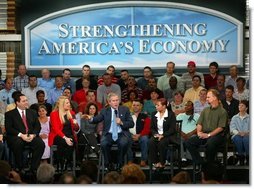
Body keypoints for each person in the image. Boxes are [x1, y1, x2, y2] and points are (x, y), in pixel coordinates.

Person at [83, 92, 134, 170]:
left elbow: (131, 124)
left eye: (117, 100)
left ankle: (119, 163)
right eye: (113, 101)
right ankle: (108, 163)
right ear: (109, 102)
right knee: (103, 144)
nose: (116, 102)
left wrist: (121, 122)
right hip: (108, 134)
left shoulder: (125, 109)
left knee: (123, 143)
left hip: (121, 134)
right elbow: (98, 118)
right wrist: (91, 118)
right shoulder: (104, 111)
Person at [184, 89, 228, 165]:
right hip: (205, 134)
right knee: (188, 142)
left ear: (214, 98)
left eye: (208, 97)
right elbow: (199, 124)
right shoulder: (205, 110)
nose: (206, 98)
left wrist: (208, 135)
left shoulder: (222, 111)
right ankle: (200, 162)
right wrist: (199, 132)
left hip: (217, 135)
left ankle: (209, 163)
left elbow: (221, 128)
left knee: (210, 143)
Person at [5, 93, 45, 172]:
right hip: (17, 136)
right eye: (24, 101)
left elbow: (37, 126)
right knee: (18, 143)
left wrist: (33, 135)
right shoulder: (10, 114)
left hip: (30, 136)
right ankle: (20, 168)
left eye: (27, 100)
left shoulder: (32, 112)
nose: (26, 102)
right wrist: (21, 135)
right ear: (17, 103)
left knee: (40, 144)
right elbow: (9, 128)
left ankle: (33, 168)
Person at [48, 96, 79, 170]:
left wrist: (75, 124)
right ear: (62, 104)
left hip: (70, 134)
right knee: (63, 142)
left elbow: (76, 129)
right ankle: (60, 161)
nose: (69, 104)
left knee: (71, 141)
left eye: (69, 102)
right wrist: (65, 138)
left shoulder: (71, 113)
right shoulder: (54, 114)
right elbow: (55, 129)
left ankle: (65, 161)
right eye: (67, 103)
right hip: (58, 135)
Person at [149, 98, 176, 168]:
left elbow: (172, 129)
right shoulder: (153, 114)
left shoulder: (171, 115)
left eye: (158, 105)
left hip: (167, 136)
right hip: (157, 135)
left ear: (164, 106)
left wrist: (163, 135)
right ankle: (155, 162)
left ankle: (162, 162)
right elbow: (151, 128)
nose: (156, 107)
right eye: (156, 105)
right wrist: (156, 134)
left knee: (162, 142)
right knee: (151, 141)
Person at [128, 99, 151, 167]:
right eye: (134, 105)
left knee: (145, 139)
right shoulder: (128, 116)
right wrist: (131, 135)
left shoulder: (145, 116)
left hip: (142, 135)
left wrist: (139, 135)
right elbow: (124, 128)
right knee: (125, 139)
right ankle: (130, 160)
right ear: (131, 106)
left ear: (141, 106)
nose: (135, 107)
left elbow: (148, 128)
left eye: (137, 105)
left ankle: (143, 160)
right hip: (130, 136)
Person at [230, 100, 249, 165]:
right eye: (239, 105)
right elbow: (232, 129)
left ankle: (248, 157)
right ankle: (241, 157)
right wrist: (239, 133)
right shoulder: (234, 117)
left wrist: (246, 133)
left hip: (248, 135)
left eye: (242, 105)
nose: (240, 107)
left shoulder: (250, 117)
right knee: (238, 138)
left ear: (246, 108)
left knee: (246, 139)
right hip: (236, 135)